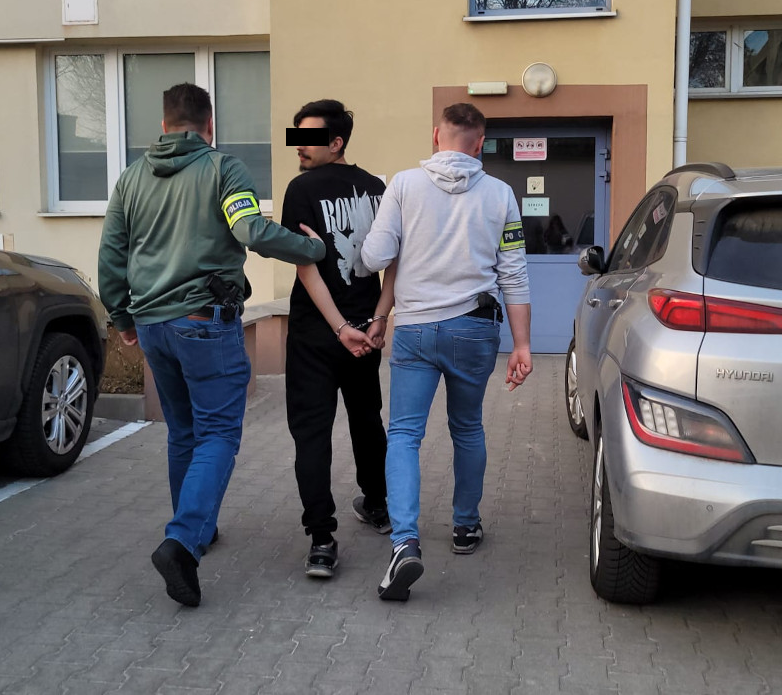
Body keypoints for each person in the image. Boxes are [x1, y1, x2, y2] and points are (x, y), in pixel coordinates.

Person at [98, 83, 326, 607]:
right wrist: (311, 248)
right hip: (204, 320)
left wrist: (122, 317)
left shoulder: (130, 178)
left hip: (152, 325)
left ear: (163, 126)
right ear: (210, 125)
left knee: (183, 432)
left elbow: (111, 253)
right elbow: (250, 230)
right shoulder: (224, 169)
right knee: (218, 432)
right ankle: (183, 542)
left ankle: (195, 524)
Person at [360, 102, 532, 602]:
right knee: (468, 428)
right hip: (474, 330)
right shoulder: (501, 194)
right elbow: (514, 273)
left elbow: (374, 256)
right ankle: (464, 526)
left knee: (404, 434)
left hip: (414, 329)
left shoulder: (404, 185)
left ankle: (404, 542)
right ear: (480, 144)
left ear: (436, 135)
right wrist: (523, 344)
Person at [280, 99, 394, 578]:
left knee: (312, 433)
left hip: (318, 332)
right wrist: (379, 318)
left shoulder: (301, 189)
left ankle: (322, 541)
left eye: (307, 139)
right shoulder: (378, 190)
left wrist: (341, 327)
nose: (299, 148)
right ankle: (379, 505)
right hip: (364, 331)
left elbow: (306, 267)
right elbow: (396, 263)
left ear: (336, 142)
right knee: (367, 419)